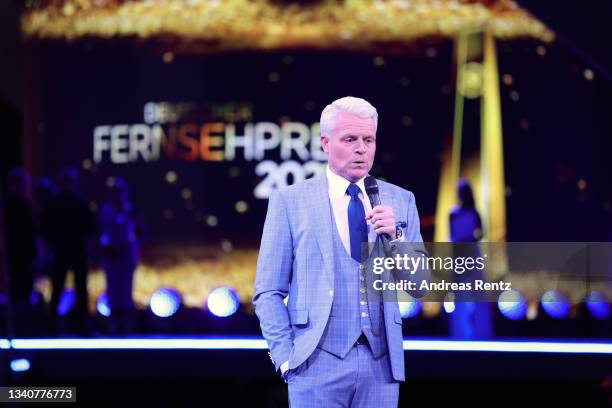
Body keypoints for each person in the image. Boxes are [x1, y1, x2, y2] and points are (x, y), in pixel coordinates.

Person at [253, 97, 430, 407]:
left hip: (382, 367)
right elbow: (268, 291)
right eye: (350, 139)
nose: (361, 148)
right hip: (314, 364)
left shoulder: (401, 201)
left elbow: (418, 286)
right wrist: (285, 358)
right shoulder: (290, 201)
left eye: (368, 139)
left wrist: (395, 238)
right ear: (325, 142)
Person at [41, 167, 95, 336]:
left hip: (75, 250)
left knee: (80, 288)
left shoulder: (79, 202)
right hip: (62, 251)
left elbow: (90, 227)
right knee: (57, 288)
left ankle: (81, 325)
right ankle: (53, 326)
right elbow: (45, 227)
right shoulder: (55, 203)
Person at [448, 178, 493, 339]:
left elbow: (481, 233)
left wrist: (469, 239)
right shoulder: (453, 213)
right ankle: (461, 334)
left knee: (478, 295)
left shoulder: (474, 213)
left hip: (472, 254)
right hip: (460, 255)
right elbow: (452, 236)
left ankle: (482, 334)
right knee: (459, 296)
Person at [98, 178, 139, 334]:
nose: (117, 195)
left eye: (120, 192)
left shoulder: (129, 209)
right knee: (113, 289)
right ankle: (114, 322)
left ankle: (126, 323)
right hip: (111, 253)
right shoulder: (107, 210)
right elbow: (103, 229)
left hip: (126, 253)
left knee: (125, 289)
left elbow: (137, 231)